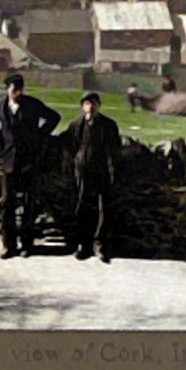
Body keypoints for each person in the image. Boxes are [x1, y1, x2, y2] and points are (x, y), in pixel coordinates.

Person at [0, 72, 61, 259]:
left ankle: (27, 244)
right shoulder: (1, 106)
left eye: (19, 89)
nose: (17, 92)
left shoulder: (32, 104)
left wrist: (40, 135)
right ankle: (8, 245)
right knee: (7, 203)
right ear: (7, 89)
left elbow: (54, 117)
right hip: (9, 161)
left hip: (29, 161)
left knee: (28, 203)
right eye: (13, 89)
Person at [62, 92, 121, 263]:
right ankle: (84, 245)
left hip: (102, 171)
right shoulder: (76, 125)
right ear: (83, 107)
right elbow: (70, 146)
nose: (91, 107)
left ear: (99, 106)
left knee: (103, 208)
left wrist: (112, 172)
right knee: (83, 207)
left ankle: (100, 244)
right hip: (82, 172)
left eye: (94, 103)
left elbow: (114, 150)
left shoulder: (108, 125)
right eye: (87, 103)